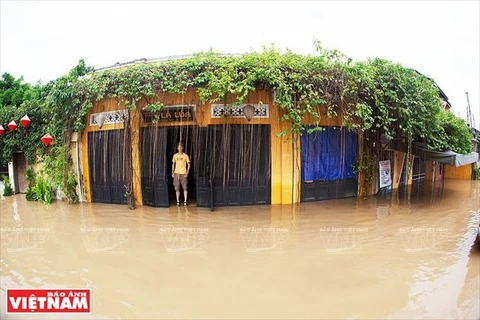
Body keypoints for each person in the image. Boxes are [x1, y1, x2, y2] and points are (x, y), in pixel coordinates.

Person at [172, 142, 191, 206]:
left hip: (183, 173)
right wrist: (172, 172)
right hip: (176, 173)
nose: (180, 148)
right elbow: (173, 164)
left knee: (185, 187)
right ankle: (177, 201)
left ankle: (185, 201)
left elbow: (188, 164)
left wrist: (187, 172)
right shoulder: (175, 156)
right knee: (177, 188)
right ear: (177, 148)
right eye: (178, 147)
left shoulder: (185, 156)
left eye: (181, 147)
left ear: (182, 148)